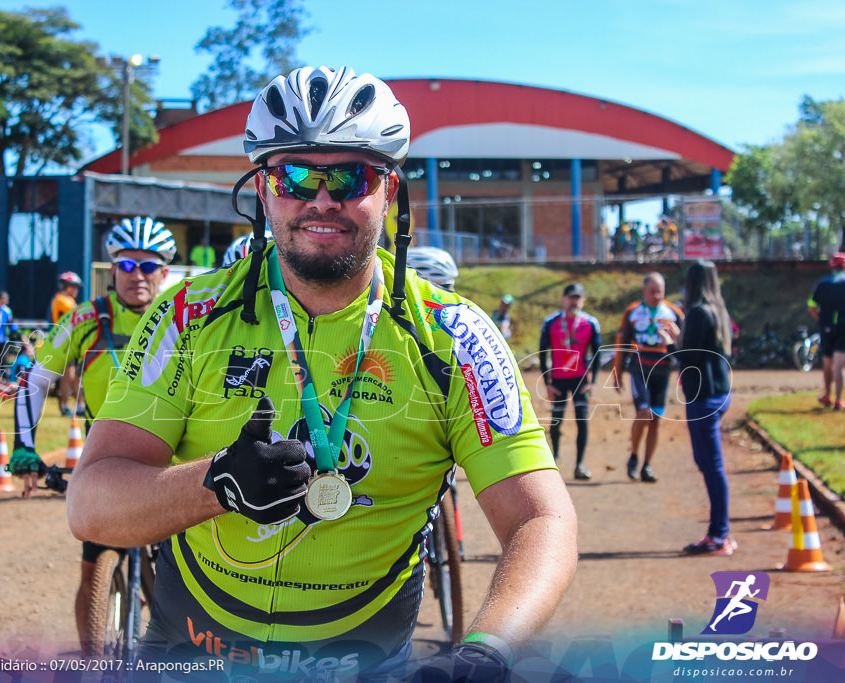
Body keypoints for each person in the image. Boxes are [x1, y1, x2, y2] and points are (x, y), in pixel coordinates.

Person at [68, 66, 577, 679]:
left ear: (390, 190)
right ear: (261, 189)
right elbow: (92, 503)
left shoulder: (453, 336)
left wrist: (489, 649)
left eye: (349, 176)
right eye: (295, 175)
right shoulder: (187, 317)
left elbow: (541, 518)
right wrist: (216, 483)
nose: (322, 199)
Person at [9, 216, 175, 655]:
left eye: (148, 265)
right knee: (92, 570)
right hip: (111, 461)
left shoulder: (186, 313)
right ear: (112, 268)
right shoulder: (87, 318)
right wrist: (25, 445)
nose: (137, 275)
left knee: (183, 578)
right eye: (126, 266)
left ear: (164, 271)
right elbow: (37, 378)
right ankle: (92, 661)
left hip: (172, 460)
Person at [658, 260, 734, 556]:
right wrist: (680, 338)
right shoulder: (718, 310)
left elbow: (688, 358)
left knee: (711, 466)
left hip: (704, 396)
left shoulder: (700, 312)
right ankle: (721, 531)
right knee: (706, 463)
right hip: (716, 392)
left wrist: (671, 343)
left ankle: (719, 536)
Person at [612, 272, 683, 483]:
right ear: (644, 291)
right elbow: (621, 343)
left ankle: (647, 465)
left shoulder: (674, 312)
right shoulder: (632, 312)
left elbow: (685, 345)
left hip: (662, 370)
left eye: (660, 291)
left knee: (656, 419)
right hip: (639, 369)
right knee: (643, 413)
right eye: (652, 291)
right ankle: (633, 455)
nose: (657, 295)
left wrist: (677, 340)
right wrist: (618, 373)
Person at [539, 282, 602, 480]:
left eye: (578, 298)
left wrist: (593, 381)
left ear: (583, 301)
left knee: (582, 421)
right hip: (557, 380)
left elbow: (597, 353)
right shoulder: (550, 322)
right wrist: (547, 382)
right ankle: (554, 462)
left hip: (580, 380)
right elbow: (543, 353)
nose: (574, 301)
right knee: (556, 421)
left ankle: (580, 465)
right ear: (563, 299)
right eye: (571, 297)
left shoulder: (591, 323)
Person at [807, 252, 845, 409]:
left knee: (827, 363)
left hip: (826, 327)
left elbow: (811, 306)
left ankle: (826, 396)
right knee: (839, 366)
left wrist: (821, 319)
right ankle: (838, 400)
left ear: (832, 266)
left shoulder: (822, 284)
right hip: (844, 328)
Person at [50, 272, 83, 416]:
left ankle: (80, 405)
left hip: (72, 342)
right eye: (75, 287)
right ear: (68, 286)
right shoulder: (62, 301)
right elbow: (77, 318)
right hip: (65, 342)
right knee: (68, 375)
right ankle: (63, 405)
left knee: (76, 375)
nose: (77, 290)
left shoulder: (67, 300)